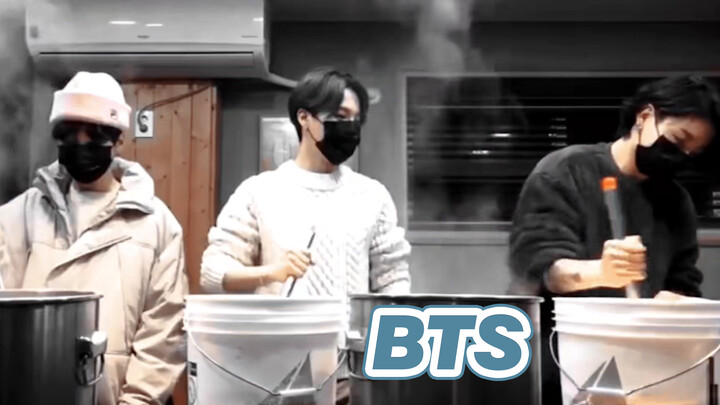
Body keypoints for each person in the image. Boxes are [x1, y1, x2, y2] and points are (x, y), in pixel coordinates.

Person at [200, 67, 412, 404]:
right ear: (304, 118)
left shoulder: (372, 196)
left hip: (352, 376)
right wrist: (270, 273)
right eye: (340, 116)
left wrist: (389, 351)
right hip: (278, 375)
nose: (350, 127)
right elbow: (213, 274)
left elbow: (394, 279)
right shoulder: (260, 191)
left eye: (356, 119)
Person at [508, 75, 720, 404]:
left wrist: (675, 304)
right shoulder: (565, 171)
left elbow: (683, 280)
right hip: (560, 361)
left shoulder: (676, 202)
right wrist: (601, 272)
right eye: (678, 140)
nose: (681, 156)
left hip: (640, 365)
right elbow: (538, 267)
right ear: (645, 116)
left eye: (692, 153)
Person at [0, 71, 188, 405]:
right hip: (29, 390)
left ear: (119, 140)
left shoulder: (156, 225)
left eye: (94, 133)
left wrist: (137, 401)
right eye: (70, 132)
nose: (81, 143)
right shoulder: (19, 216)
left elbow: (163, 334)